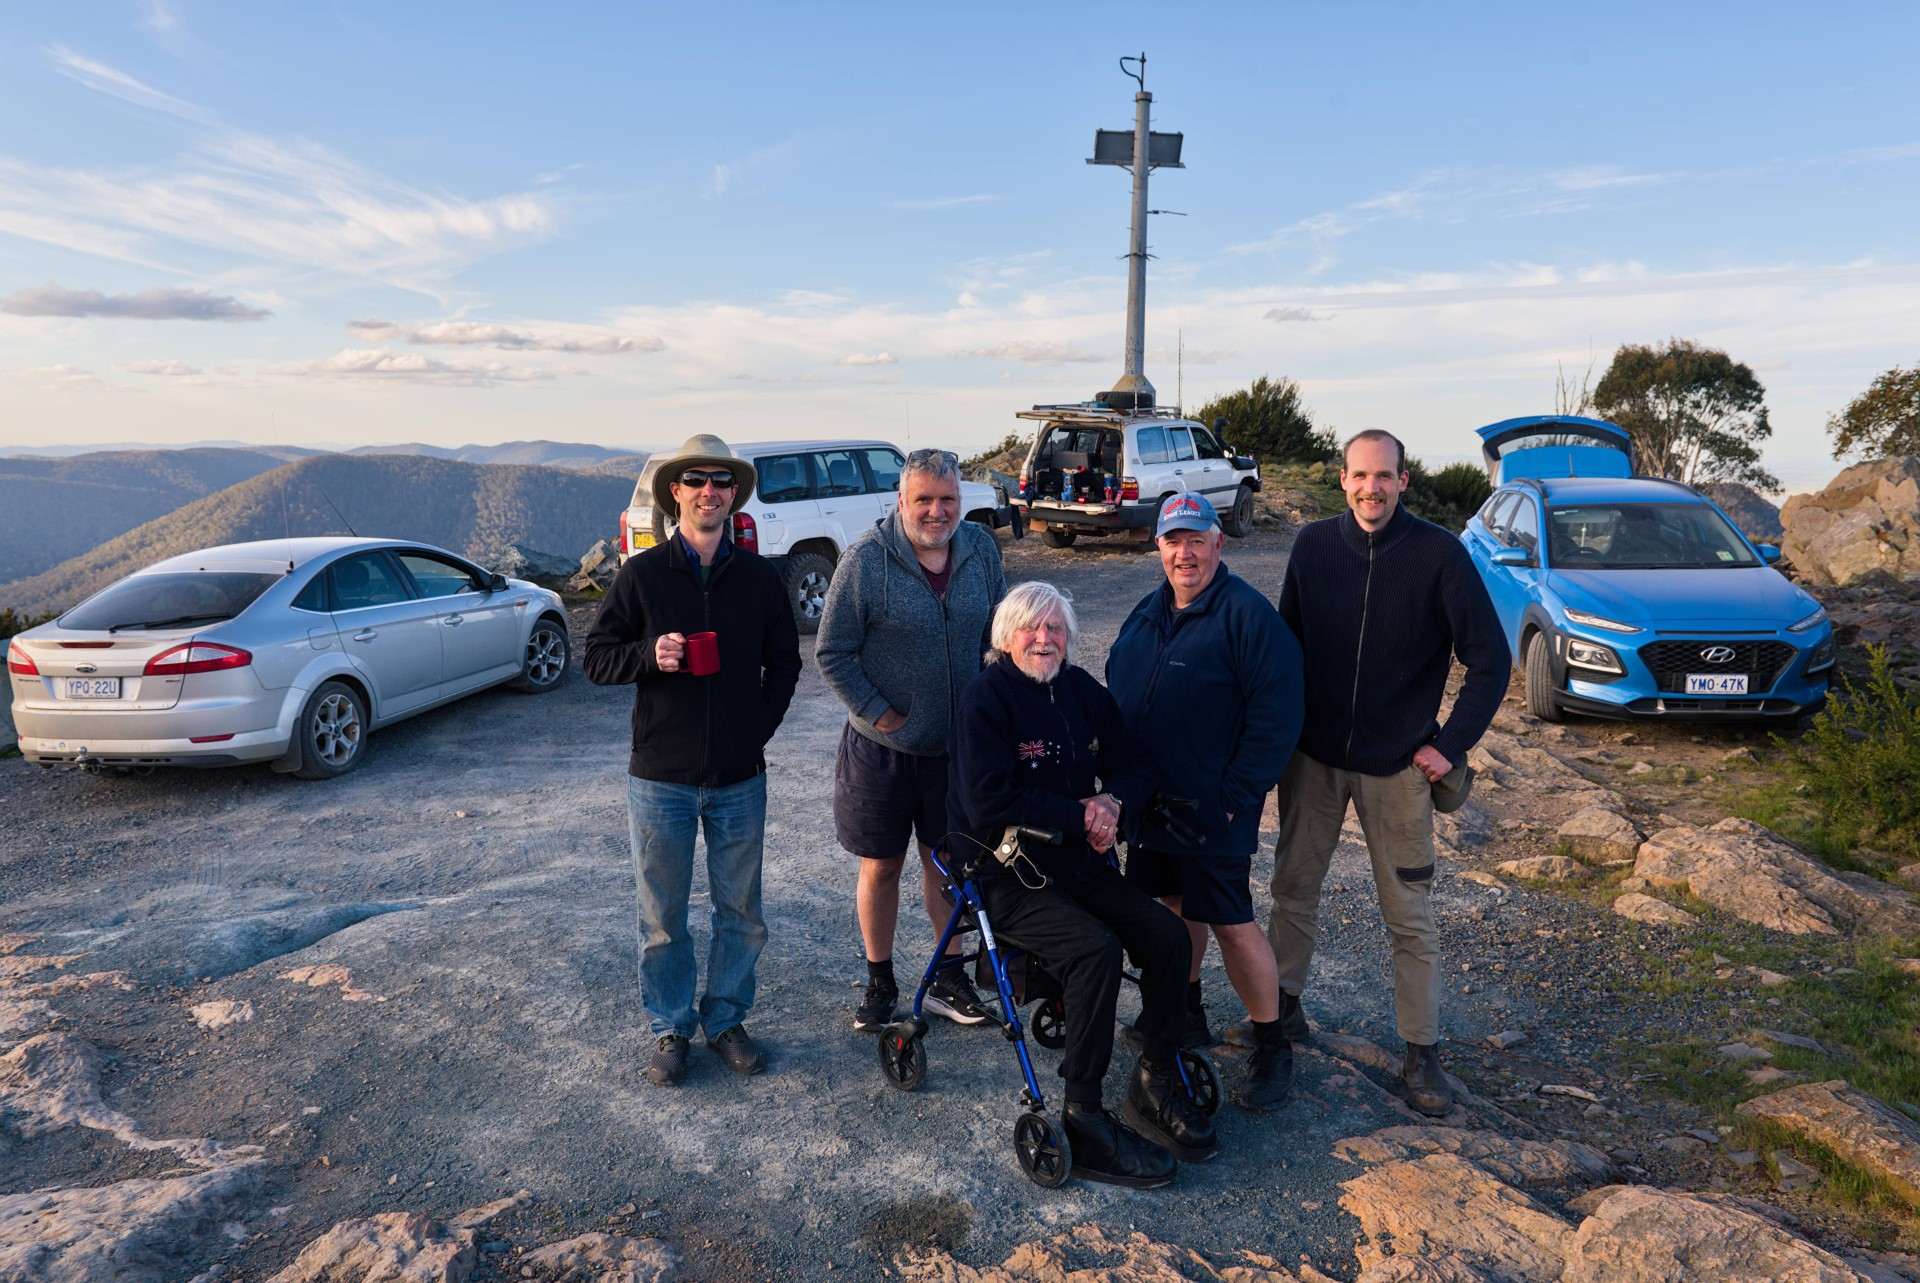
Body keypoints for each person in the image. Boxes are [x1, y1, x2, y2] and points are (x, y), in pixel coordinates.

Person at [1266, 429, 1509, 1115]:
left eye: (1384, 476)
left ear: (1403, 481)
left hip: (1399, 767)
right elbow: (1284, 646)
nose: (1371, 488)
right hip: (1313, 759)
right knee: (1292, 892)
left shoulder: (1440, 555)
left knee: (1409, 914)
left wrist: (1450, 745)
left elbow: (1490, 660)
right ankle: (1281, 1014)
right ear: (1342, 479)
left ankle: (1421, 1053)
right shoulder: (1312, 546)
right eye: (1359, 475)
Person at [948, 582, 1215, 1187]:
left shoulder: (1079, 690)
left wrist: (1113, 802)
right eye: (1031, 628)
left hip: (1078, 862)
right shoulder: (985, 701)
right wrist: (1080, 814)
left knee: (1168, 937)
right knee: (1096, 950)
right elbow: (987, 800)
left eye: (1056, 629)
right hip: (1007, 872)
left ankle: (1154, 1078)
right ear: (1006, 637)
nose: (1044, 639)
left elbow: (1135, 759)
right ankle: (1084, 1116)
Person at [583, 433, 802, 1088]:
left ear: (734, 494)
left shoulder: (759, 578)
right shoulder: (643, 575)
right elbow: (596, 658)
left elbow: (786, 663)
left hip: (740, 777)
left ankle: (726, 1020)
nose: (711, 491)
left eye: (722, 481)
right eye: (698, 480)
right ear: (675, 491)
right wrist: (649, 655)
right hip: (660, 778)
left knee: (742, 914)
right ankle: (671, 1027)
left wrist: (757, 728)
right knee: (661, 918)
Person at [1106, 492, 1304, 1111]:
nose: (1184, 553)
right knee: (1170, 906)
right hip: (1153, 802)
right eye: (1174, 541)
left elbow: (1279, 714)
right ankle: (1184, 1012)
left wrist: (1236, 796)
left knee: (1231, 922)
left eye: (1197, 540)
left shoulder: (1247, 616)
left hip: (1214, 806)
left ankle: (1272, 1044)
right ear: (1158, 546)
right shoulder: (1148, 610)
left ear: (1218, 543)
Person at [817, 447, 1007, 1032]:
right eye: (923, 499)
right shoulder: (864, 561)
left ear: (960, 500)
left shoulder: (980, 549)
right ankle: (880, 982)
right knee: (881, 866)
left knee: (945, 864)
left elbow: (997, 633)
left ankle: (948, 979)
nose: (936, 511)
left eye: (947, 499)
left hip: (956, 751)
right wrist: (880, 714)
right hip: (883, 752)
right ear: (901, 500)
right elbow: (832, 651)